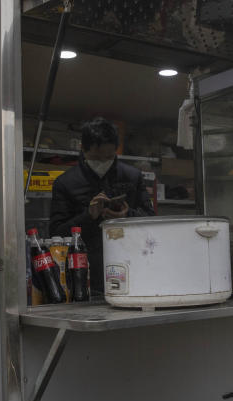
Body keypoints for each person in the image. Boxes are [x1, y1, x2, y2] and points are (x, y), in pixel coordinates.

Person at [50, 117, 155, 295]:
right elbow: (55, 233)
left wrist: (127, 215)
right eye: (96, 158)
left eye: (108, 157)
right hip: (86, 273)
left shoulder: (132, 176)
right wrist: (88, 216)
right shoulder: (66, 183)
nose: (102, 163)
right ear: (83, 149)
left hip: (132, 264)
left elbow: (151, 220)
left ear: (116, 150)